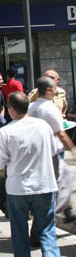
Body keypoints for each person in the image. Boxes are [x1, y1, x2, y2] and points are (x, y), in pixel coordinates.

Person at [0, 92, 64, 257]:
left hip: (19, 188)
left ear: (12, 109)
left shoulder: (7, 132)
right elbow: (54, 150)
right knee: (48, 233)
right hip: (44, 184)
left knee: (20, 233)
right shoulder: (43, 126)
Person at [28, 76, 76, 223]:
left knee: (63, 178)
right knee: (53, 188)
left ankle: (66, 211)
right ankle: (41, 227)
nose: (57, 91)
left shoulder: (31, 107)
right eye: (54, 88)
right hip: (51, 154)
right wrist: (72, 150)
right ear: (48, 90)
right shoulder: (49, 108)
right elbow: (60, 133)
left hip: (37, 153)